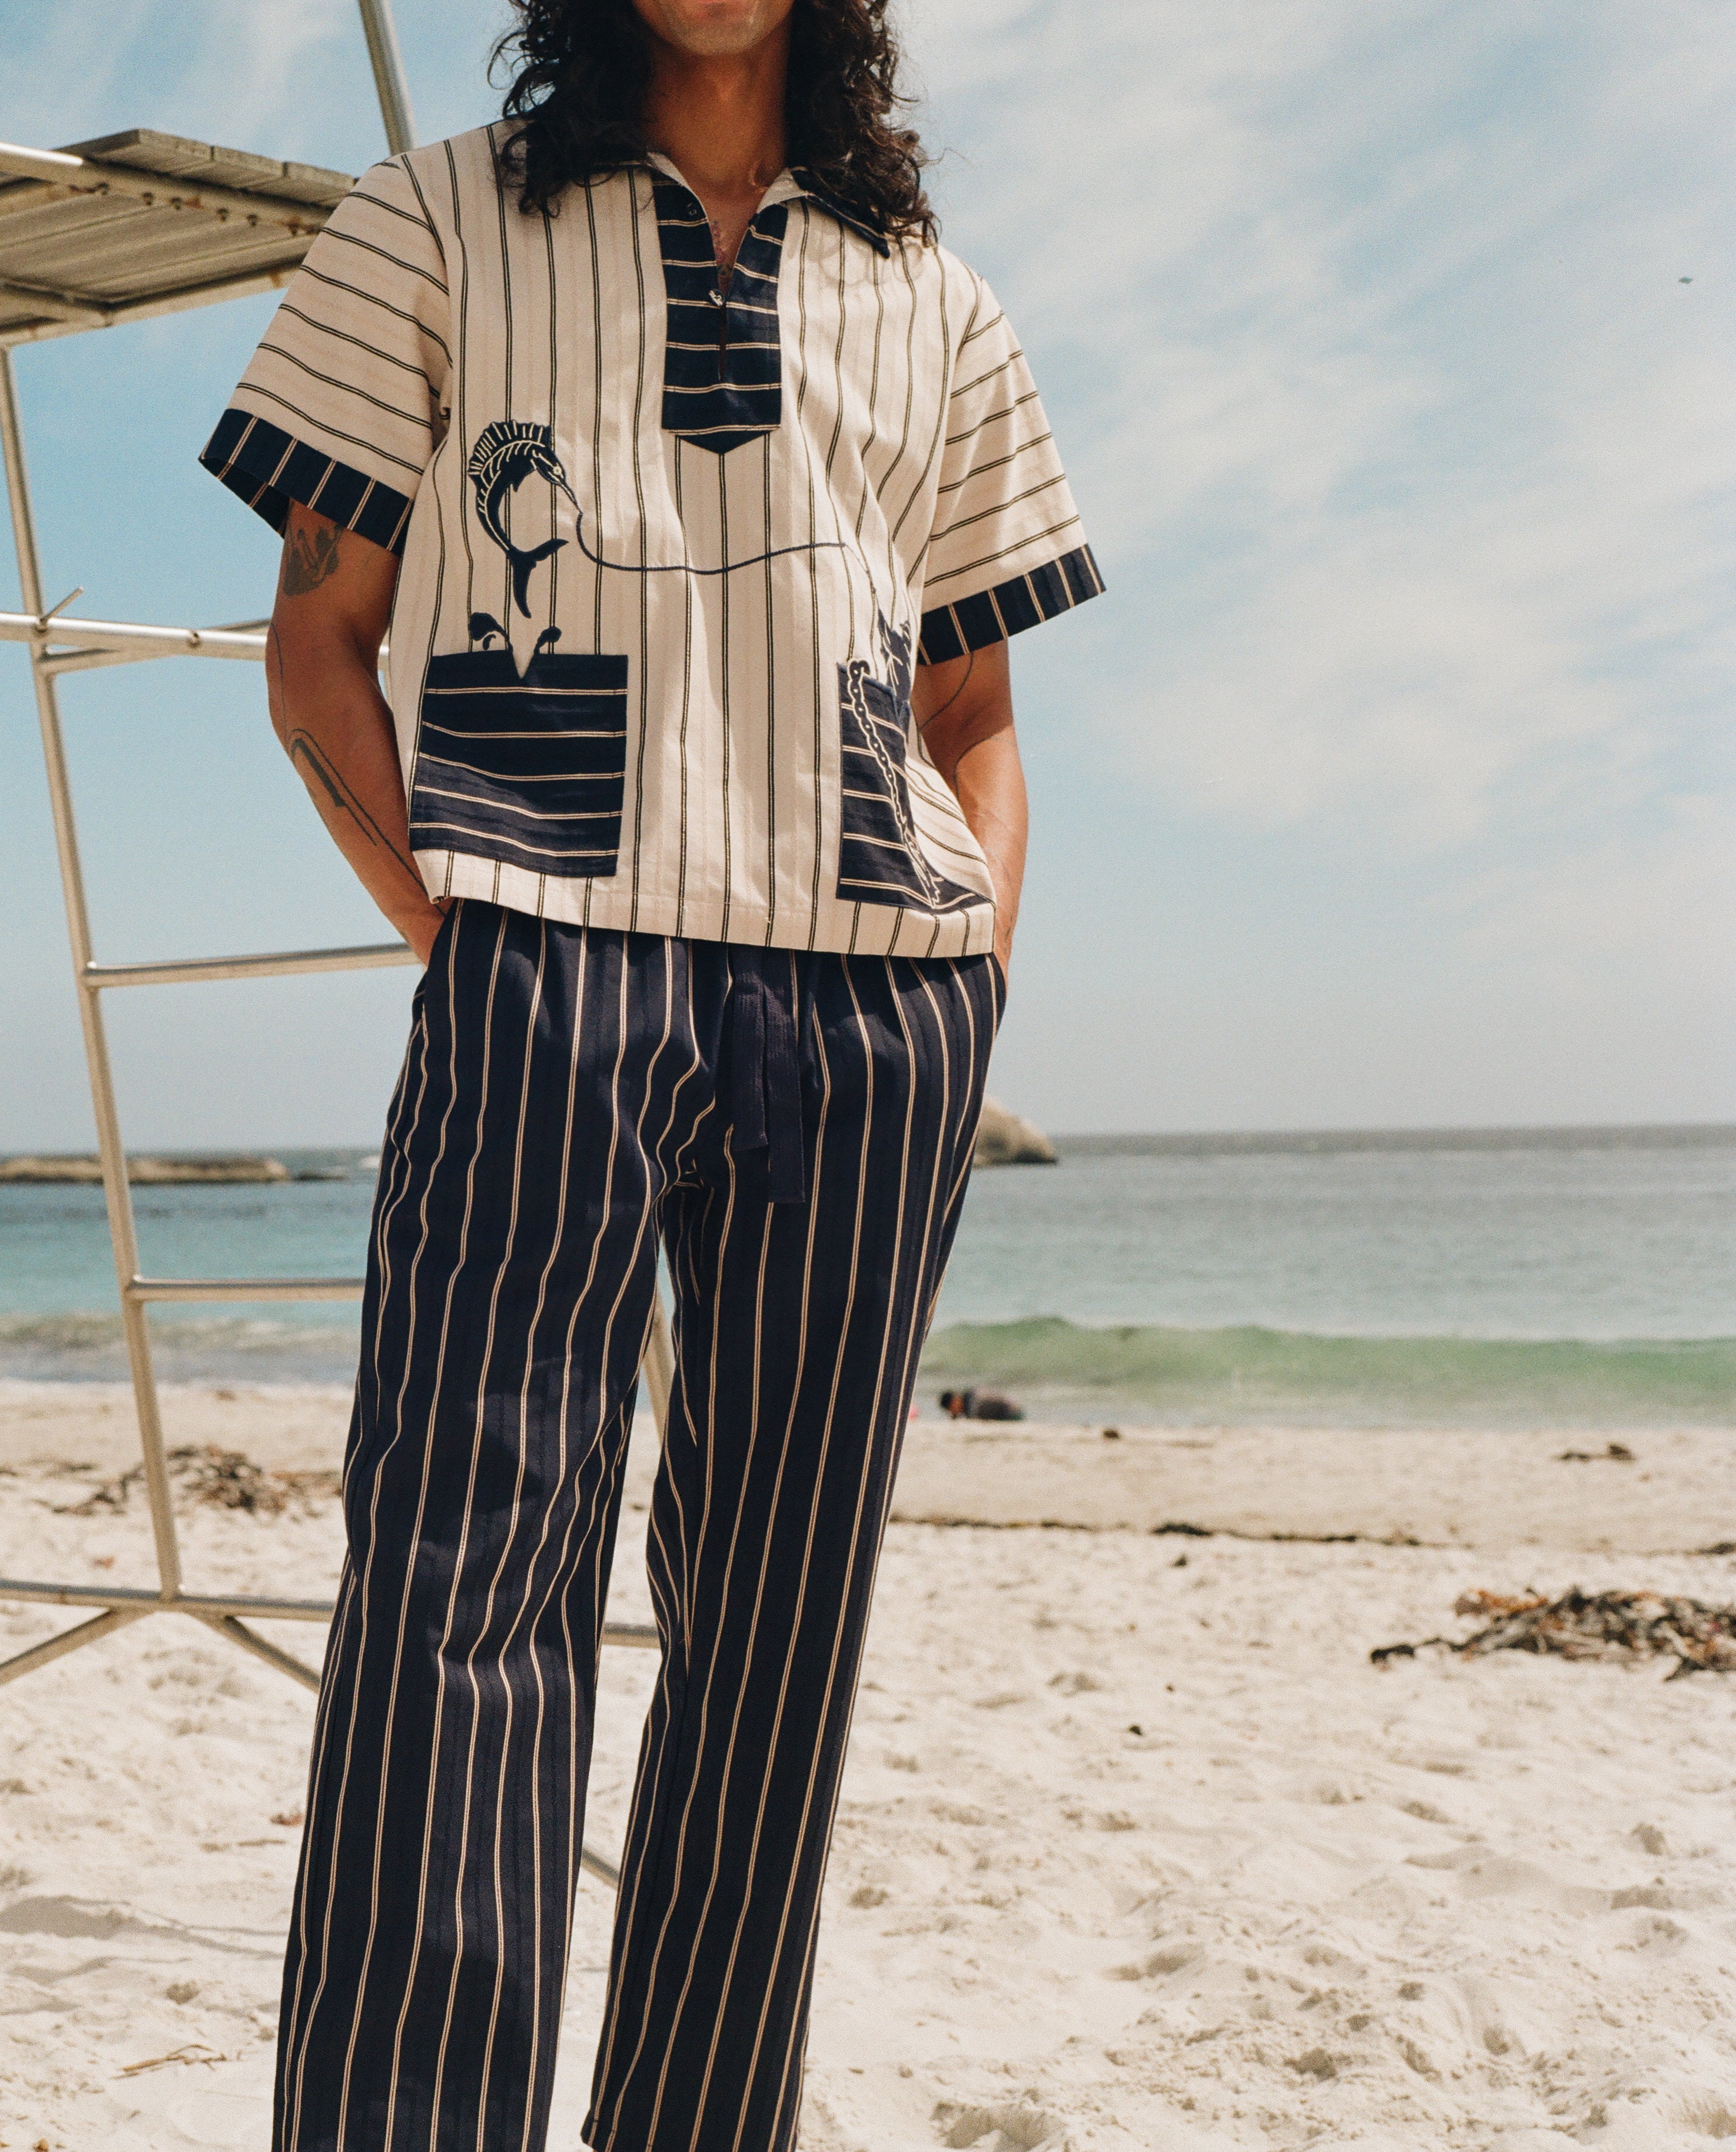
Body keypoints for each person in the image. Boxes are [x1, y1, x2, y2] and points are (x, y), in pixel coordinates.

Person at [200, 1, 1099, 2145]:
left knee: (781, 1630)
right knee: (454, 1593)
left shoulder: (942, 305)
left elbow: (975, 712)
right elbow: (318, 641)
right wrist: (467, 937)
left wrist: (969, 985)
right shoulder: (433, 224)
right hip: (544, 969)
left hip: (876, 1018)